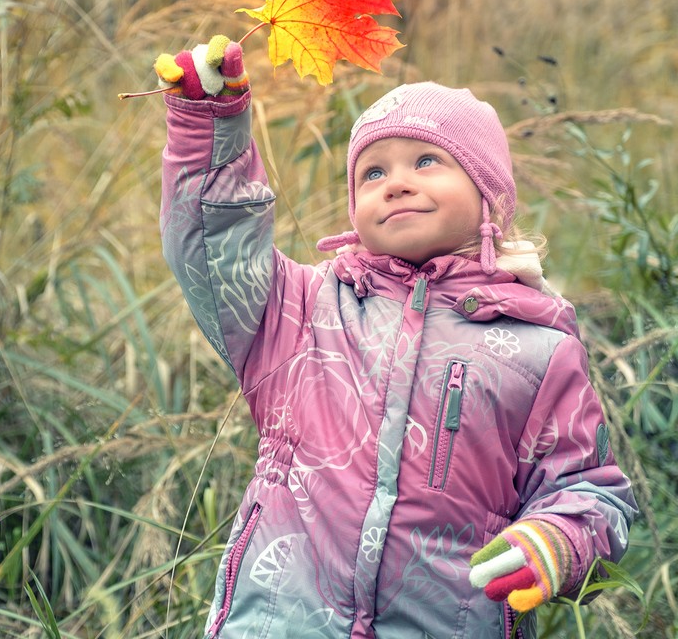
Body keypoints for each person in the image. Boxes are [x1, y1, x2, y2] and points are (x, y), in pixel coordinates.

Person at [156, 36, 637, 639]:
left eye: (427, 161)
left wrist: (556, 542)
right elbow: (214, 245)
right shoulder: (297, 310)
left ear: (489, 192)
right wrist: (211, 130)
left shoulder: (540, 348)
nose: (396, 183)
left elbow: (591, 491)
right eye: (374, 171)